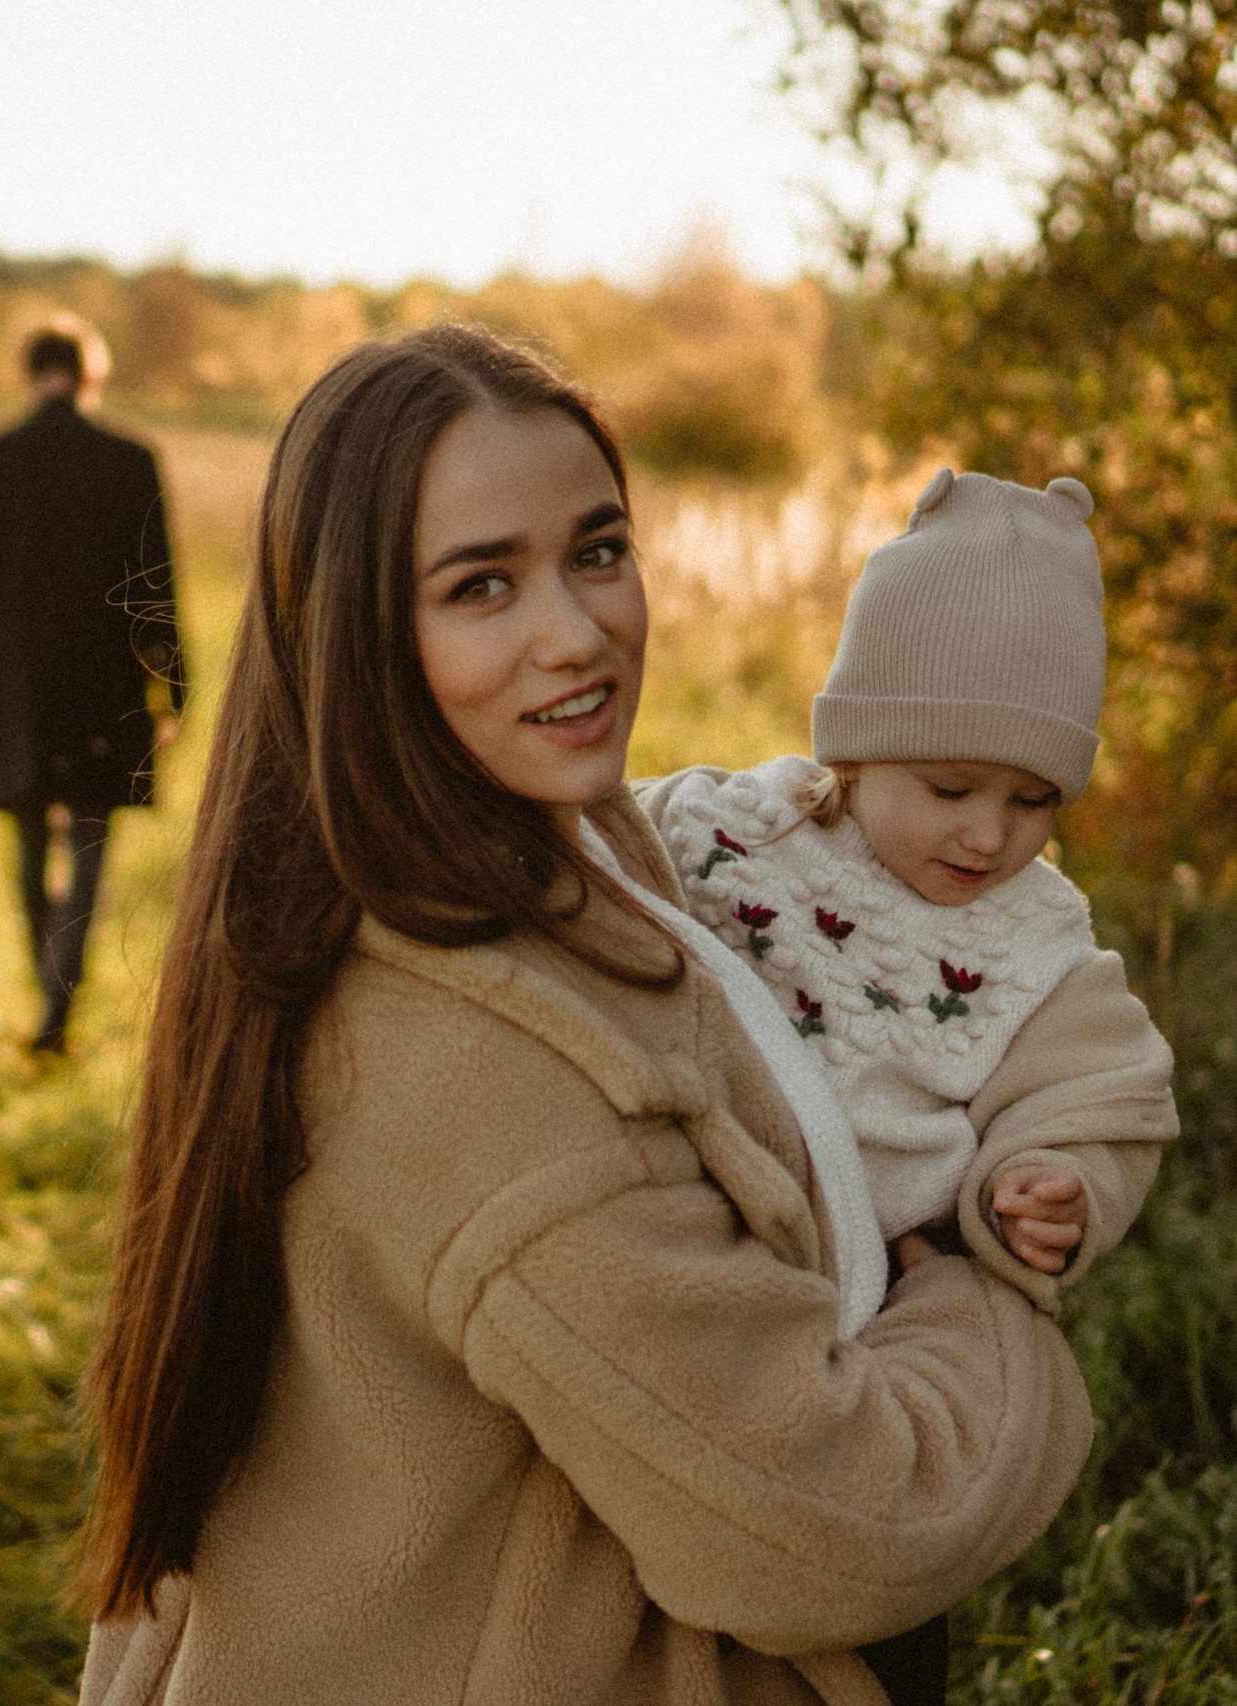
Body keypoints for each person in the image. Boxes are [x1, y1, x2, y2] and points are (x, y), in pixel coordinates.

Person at [73, 327, 1093, 1706]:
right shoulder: (476, 1065)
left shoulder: (565, 856)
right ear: (360, 631)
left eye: (598, 551)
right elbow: (839, 1528)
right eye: (481, 584)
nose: (578, 629)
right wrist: (984, 1290)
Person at [635, 469, 1178, 1704]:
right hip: (689, 1282)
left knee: (872, 1632)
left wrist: (1042, 1186)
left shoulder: (1037, 947)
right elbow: (589, 862)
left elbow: (1105, 1096)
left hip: (873, 1334)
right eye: (949, 788)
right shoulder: (733, 832)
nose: (989, 834)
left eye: (1032, 799)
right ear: (858, 740)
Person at [0, 328, 183, 1054]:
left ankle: (49, 989)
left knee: (31, 832)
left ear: (28, 372)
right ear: (91, 375)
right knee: (94, 838)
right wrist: (176, 687)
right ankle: (58, 1002)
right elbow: (157, 585)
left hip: (17, 682)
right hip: (108, 680)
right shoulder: (132, 461)